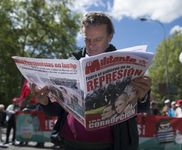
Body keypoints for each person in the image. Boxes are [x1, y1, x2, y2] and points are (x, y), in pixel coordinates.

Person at [31, 11, 152, 150]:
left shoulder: (128, 63)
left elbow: (142, 107)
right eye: (87, 39)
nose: (91, 44)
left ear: (110, 37)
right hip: (71, 143)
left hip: (112, 145)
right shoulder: (71, 64)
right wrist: (44, 101)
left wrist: (142, 96)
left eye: (97, 39)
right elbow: (57, 111)